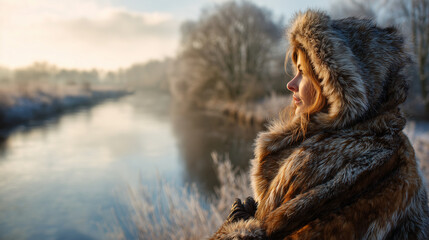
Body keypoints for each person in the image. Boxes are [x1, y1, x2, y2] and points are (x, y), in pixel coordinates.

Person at [210, 9, 429, 239]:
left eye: (302, 72)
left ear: (337, 87)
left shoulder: (349, 165)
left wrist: (236, 233)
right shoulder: (392, 151)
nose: (291, 84)